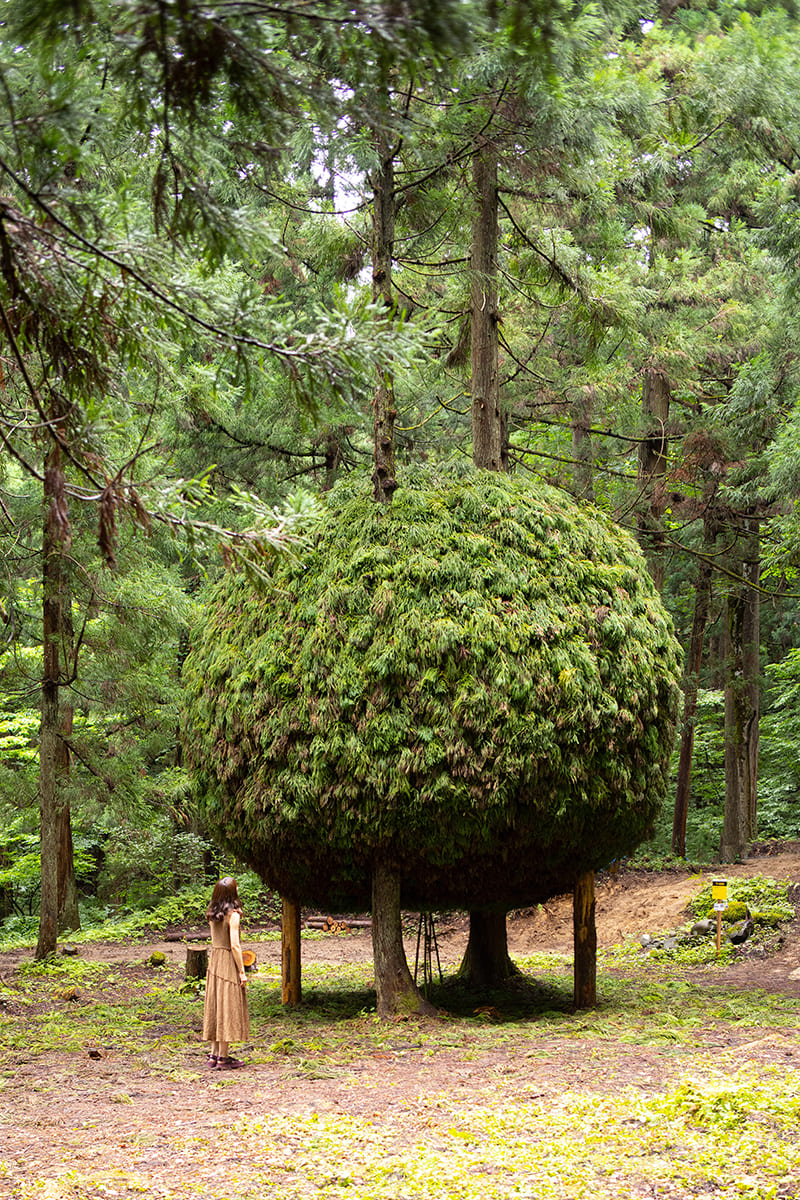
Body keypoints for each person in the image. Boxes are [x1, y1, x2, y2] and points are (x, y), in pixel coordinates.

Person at [202, 876, 250, 1069]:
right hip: (227, 962)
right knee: (227, 1006)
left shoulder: (213, 913)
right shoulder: (233, 915)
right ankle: (223, 1057)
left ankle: (213, 1055)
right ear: (233, 893)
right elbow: (235, 945)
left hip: (214, 961)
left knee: (215, 1005)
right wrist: (241, 971)